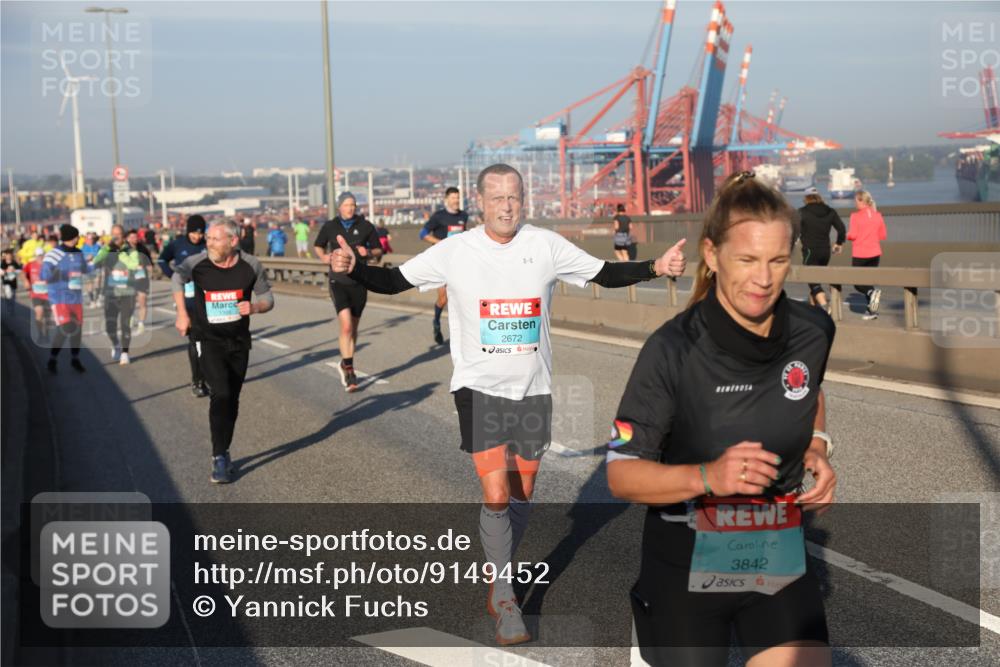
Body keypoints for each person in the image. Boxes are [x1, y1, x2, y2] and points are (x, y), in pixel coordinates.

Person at [329, 163, 687, 645]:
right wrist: (356, 269)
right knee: (496, 492)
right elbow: (394, 282)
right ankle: (504, 595)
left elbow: (603, 273)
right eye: (497, 198)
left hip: (532, 388)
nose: (506, 206)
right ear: (480, 202)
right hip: (478, 386)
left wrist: (655, 267)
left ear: (524, 199)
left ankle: (499, 567)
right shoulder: (456, 250)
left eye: (514, 197)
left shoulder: (545, 245)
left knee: (522, 493)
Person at [605, 171, 836, 667]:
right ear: (712, 255)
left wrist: (817, 444)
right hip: (684, 564)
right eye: (747, 260)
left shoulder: (814, 330)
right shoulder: (671, 350)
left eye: (777, 260)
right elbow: (621, 473)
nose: (764, 279)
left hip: (774, 555)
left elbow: (806, 389)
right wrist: (708, 476)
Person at [171, 219, 275, 484]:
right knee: (221, 394)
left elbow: (267, 298)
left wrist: (255, 308)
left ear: (233, 241)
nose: (209, 244)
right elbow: (176, 278)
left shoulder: (251, 265)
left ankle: (224, 449)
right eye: (208, 239)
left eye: (215, 239)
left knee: (232, 398)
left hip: (239, 341)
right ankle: (218, 456)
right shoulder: (197, 263)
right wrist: (182, 313)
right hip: (208, 340)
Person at [313, 192, 382, 392]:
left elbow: (379, 250)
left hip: (360, 281)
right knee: (346, 326)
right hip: (338, 281)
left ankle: (345, 362)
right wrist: (324, 258)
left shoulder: (365, 226)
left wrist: (368, 253)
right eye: (346, 204)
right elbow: (318, 246)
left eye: (353, 204)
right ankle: (350, 371)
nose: (350, 208)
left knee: (354, 327)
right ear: (339, 207)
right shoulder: (330, 226)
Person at [159, 215, 209, 397]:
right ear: (188, 231)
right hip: (187, 299)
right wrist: (174, 276)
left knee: (211, 341)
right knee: (195, 340)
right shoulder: (177, 244)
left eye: (200, 233)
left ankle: (210, 376)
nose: (197, 237)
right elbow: (162, 260)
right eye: (194, 233)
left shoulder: (209, 244)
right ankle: (197, 380)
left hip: (208, 297)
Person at [42, 224, 95, 373]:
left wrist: (97, 263)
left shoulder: (79, 253)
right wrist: (63, 274)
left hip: (75, 298)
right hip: (59, 297)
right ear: (71, 237)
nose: (78, 238)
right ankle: (52, 359)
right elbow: (44, 274)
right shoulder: (54, 254)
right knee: (65, 327)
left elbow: (85, 269)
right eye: (77, 236)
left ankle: (75, 359)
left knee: (77, 329)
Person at [420, 186, 468, 344]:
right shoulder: (438, 216)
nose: (456, 200)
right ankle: (436, 321)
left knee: (462, 297)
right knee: (443, 298)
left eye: (458, 197)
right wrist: (441, 243)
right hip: (442, 262)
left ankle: (462, 331)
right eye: (453, 197)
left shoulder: (463, 216)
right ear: (446, 199)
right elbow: (423, 234)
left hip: (459, 262)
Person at [93, 226, 146, 365]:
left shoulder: (131, 251)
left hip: (127, 293)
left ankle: (125, 352)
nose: (116, 237)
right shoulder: (106, 250)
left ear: (124, 236)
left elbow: (133, 265)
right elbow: (96, 262)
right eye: (114, 234)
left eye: (119, 234)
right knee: (110, 326)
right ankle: (116, 344)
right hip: (111, 293)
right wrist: (106, 249)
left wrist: (121, 253)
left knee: (125, 324)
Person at [797, 186, 846, 312]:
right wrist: (839, 243)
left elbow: (794, 229)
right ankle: (814, 311)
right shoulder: (830, 211)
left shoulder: (802, 212)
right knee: (816, 279)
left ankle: (825, 307)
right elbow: (841, 229)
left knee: (812, 280)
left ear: (806, 198)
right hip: (825, 252)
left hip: (810, 251)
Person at [846, 190, 886, 321]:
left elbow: (853, 235)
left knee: (857, 283)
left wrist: (848, 235)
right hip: (875, 253)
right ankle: (872, 311)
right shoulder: (878, 215)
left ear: (861, 201)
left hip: (860, 254)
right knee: (868, 282)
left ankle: (872, 293)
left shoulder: (855, 216)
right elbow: (882, 235)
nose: (854, 203)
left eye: (855, 201)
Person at [24, 248, 50, 341]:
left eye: (41, 255)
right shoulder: (30, 265)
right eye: (38, 256)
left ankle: (46, 334)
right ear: (35, 256)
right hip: (36, 294)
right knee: (39, 313)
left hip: (48, 294)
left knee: (47, 316)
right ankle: (40, 333)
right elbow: (23, 273)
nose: (40, 257)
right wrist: (26, 281)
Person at [1, 249, 20, 317]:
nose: (8, 256)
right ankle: (9, 307)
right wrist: (5, 271)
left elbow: (19, 270)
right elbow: (1, 272)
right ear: (5, 256)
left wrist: (14, 270)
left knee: (13, 297)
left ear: (11, 256)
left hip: (13, 282)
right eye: (7, 255)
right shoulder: (3, 263)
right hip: (6, 282)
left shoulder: (14, 262)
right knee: (9, 294)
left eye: (10, 255)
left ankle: (12, 309)